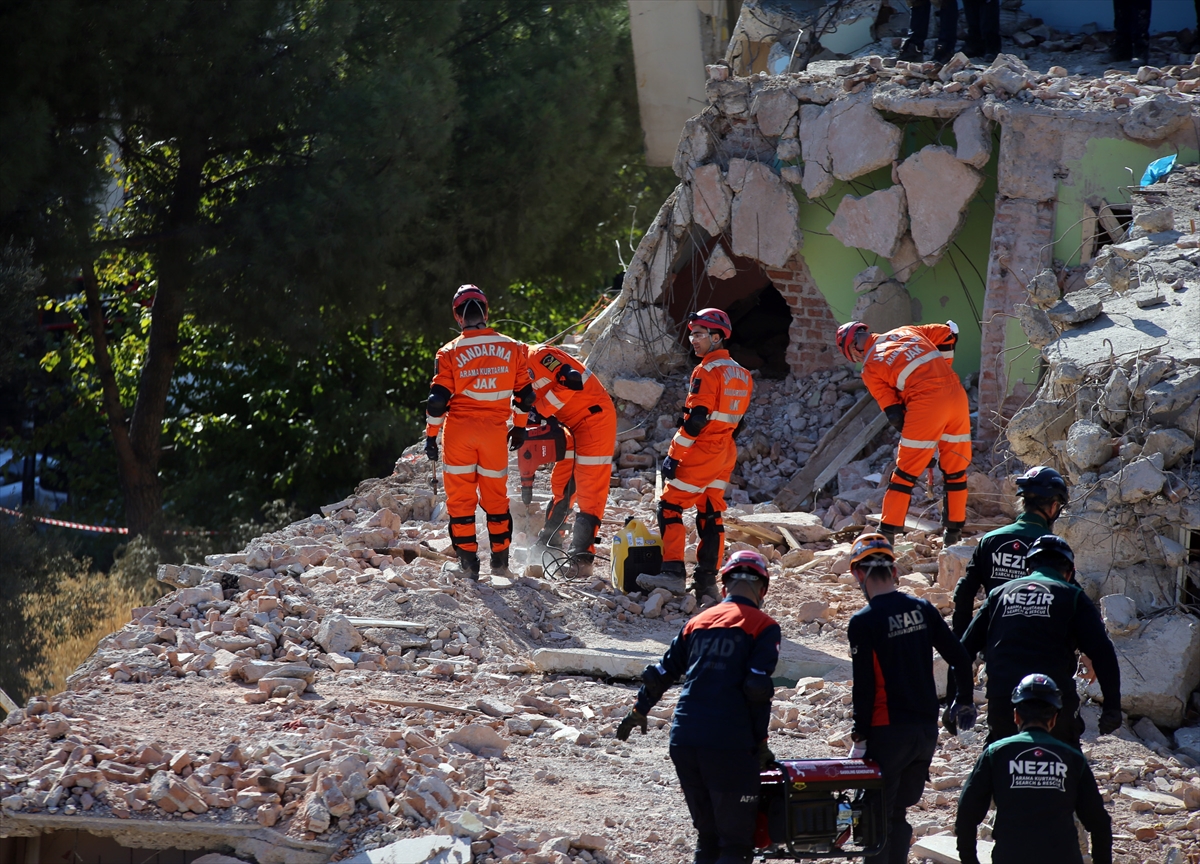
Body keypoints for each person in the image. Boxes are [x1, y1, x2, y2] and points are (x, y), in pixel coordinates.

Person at [615, 550, 780, 864]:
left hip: (685, 739)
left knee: (708, 837)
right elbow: (757, 688)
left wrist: (639, 710)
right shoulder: (763, 626)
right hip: (728, 743)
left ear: (724, 586)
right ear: (763, 589)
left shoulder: (697, 622)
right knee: (735, 843)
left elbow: (659, 674)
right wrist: (760, 743)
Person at [846, 532, 976, 864]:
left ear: (858, 574)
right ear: (895, 572)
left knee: (874, 815)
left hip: (888, 731)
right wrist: (962, 700)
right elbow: (960, 657)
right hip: (924, 733)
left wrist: (859, 735)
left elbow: (864, 686)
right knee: (898, 813)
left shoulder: (864, 621)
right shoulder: (922, 609)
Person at [958, 534, 1123, 748]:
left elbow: (964, 650)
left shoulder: (999, 594)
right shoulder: (1072, 596)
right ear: (1069, 573)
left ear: (1028, 569)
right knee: (1062, 764)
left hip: (1004, 701)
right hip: (1055, 703)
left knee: (1000, 764)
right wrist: (1112, 707)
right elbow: (1102, 653)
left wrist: (961, 697)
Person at [639, 308, 752, 602]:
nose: (693, 340)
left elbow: (696, 419)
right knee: (711, 513)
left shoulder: (706, 371)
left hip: (702, 450)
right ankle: (707, 584)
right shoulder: (742, 373)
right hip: (726, 452)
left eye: (699, 334)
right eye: (691, 333)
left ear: (717, 337)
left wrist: (674, 455)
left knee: (669, 505)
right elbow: (739, 422)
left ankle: (673, 573)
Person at [425, 285, 532, 579]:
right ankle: (501, 565)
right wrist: (520, 429)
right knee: (496, 500)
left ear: (458, 316)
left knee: (460, 501)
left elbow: (437, 402)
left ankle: (469, 567)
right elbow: (525, 396)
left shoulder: (449, 351)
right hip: (495, 434)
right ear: (485, 312)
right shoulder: (513, 347)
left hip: (459, 432)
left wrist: (431, 437)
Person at [836, 320, 970, 546]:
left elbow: (895, 414)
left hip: (926, 403)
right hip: (956, 396)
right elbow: (950, 332)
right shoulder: (906, 330)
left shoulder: (869, 367)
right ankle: (953, 536)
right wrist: (946, 366)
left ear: (853, 349)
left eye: (854, 356)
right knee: (955, 470)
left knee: (905, 474)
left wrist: (921, 439)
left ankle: (886, 534)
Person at [955, 673, 1113, 864]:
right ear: (1054, 719)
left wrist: (969, 860)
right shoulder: (1073, 758)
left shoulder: (995, 753)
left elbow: (966, 813)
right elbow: (1099, 824)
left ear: (1016, 716)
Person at [524, 343, 617, 578]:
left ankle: (582, 558)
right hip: (570, 425)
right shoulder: (515, 373)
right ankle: (549, 545)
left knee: (590, 491)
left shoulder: (540, 356)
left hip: (594, 418)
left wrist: (541, 410)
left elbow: (573, 380)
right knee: (562, 483)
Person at [950, 465, 1070, 637]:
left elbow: (965, 592)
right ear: (1053, 507)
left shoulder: (990, 540)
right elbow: (1070, 599)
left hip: (995, 642)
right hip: (1039, 645)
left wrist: (962, 643)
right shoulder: (1055, 547)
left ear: (1022, 502)